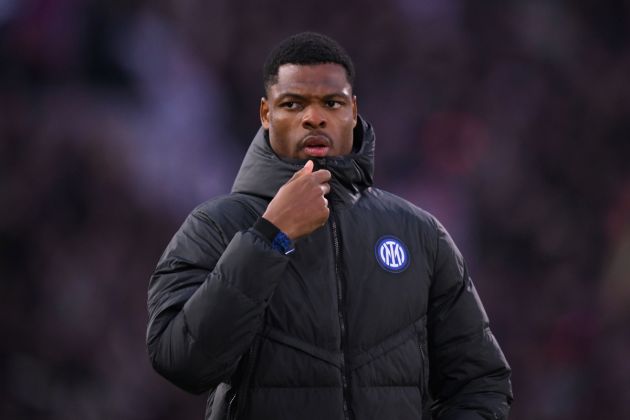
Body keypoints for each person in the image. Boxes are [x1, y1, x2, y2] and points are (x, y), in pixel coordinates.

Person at [146, 32, 513, 420]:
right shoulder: (214, 226)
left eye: (331, 103)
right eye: (293, 103)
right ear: (266, 114)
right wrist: (269, 236)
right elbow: (181, 361)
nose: (314, 117)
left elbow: (481, 382)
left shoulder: (420, 234)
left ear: (352, 111)